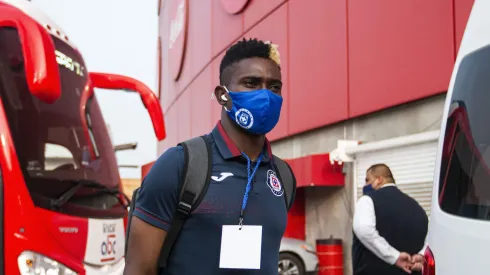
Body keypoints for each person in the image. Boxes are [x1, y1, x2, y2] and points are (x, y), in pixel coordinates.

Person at [123, 38, 295, 275]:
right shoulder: (180, 165)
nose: (266, 95)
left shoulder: (283, 177)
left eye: (274, 87)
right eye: (251, 83)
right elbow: (138, 270)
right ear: (223, 95)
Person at [352, 163, 428, 275]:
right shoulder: (417, 207)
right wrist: (421, 255)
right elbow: (431, 236)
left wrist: (394, 256)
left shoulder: (368, 201)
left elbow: (364, 230)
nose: (365, 184)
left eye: (367, 180)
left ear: (379, 180)